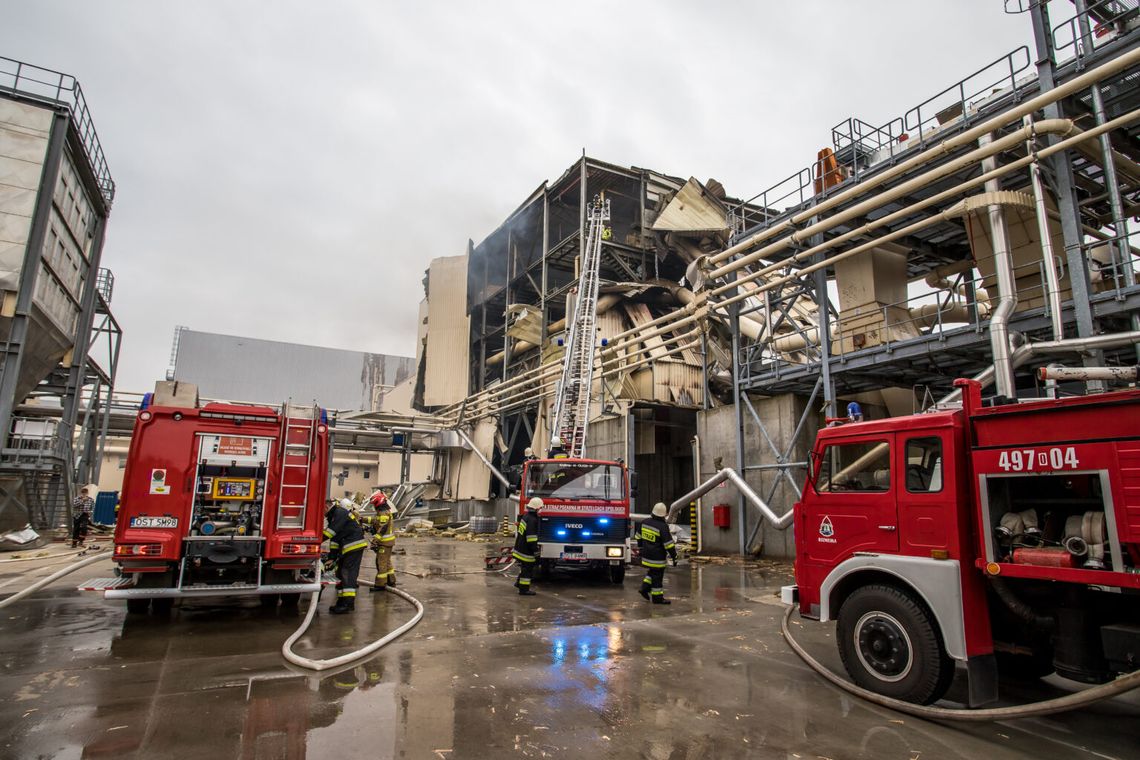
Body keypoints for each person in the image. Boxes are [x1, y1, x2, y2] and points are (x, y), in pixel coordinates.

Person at [323, 497, 368, 614]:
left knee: (347, 573)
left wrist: (314, 540)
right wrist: (331, 558)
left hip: (353, 546)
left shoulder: (339, 513)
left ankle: (348, 604)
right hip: (347, 547)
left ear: (326, 507)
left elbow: (330, 533)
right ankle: (341, 602)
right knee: (340, 573)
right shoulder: (334, 515)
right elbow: (334, 540)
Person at [637, 502, 678, 604]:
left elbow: (638, 537)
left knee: (653, 572)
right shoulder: (663, 526)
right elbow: (668, 544)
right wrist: (674, 556)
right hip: (657, 558)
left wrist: (641, 548)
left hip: (646, 555)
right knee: (657, 577)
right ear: (663, 515)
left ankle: (644, 588)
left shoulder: (644, 522)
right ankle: (657, 598)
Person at [366, 491, 396, 591]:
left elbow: (382, 528)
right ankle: (391, 580)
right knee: (387, 561)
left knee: (381, 562)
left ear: (379, 502)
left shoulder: (383, 513)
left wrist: (375, 540)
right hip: (388, 542)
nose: (374, 506)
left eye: (375, 504)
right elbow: (375, 521)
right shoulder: (383, 511)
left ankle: (380, 584)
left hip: (384, 542)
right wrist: (363, 519)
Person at [512, 497, 542, 595]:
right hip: (526, 551)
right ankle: (524, 590)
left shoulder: (526, 516)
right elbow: (531, 538)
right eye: (540, 508)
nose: (541, 510)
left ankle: (518, 583)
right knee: (527, 570)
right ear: (536, 508)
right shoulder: (532, 520)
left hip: (520, 547)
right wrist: (535, 551)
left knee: (525, 568)